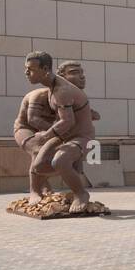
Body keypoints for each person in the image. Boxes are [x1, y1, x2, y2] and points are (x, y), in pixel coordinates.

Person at [20, 51, 96, 212]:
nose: (26, 73)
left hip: (82, 137)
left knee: (60, 161)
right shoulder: (51, 88)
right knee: (39, 165)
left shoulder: (62, 91)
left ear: (45, 69)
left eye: (31, 69)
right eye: (26, 68)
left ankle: (81, 193)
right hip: (63, 136)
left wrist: (46, 135)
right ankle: (45, 187)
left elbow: (68, 121)